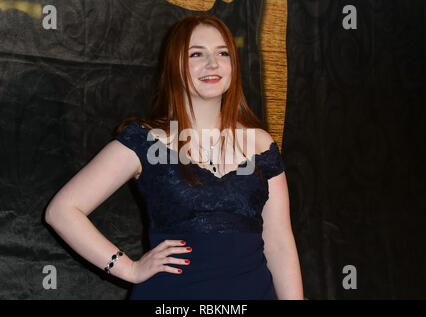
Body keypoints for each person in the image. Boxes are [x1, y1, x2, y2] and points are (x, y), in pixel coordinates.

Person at [45, 13, 303, 300]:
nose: (212, 64)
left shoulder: (260, 143)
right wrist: (129, 269)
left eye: (222, 53)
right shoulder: (145, 141)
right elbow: (62, 211)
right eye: (196, 54)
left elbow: (279, 242)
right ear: (175, 65)